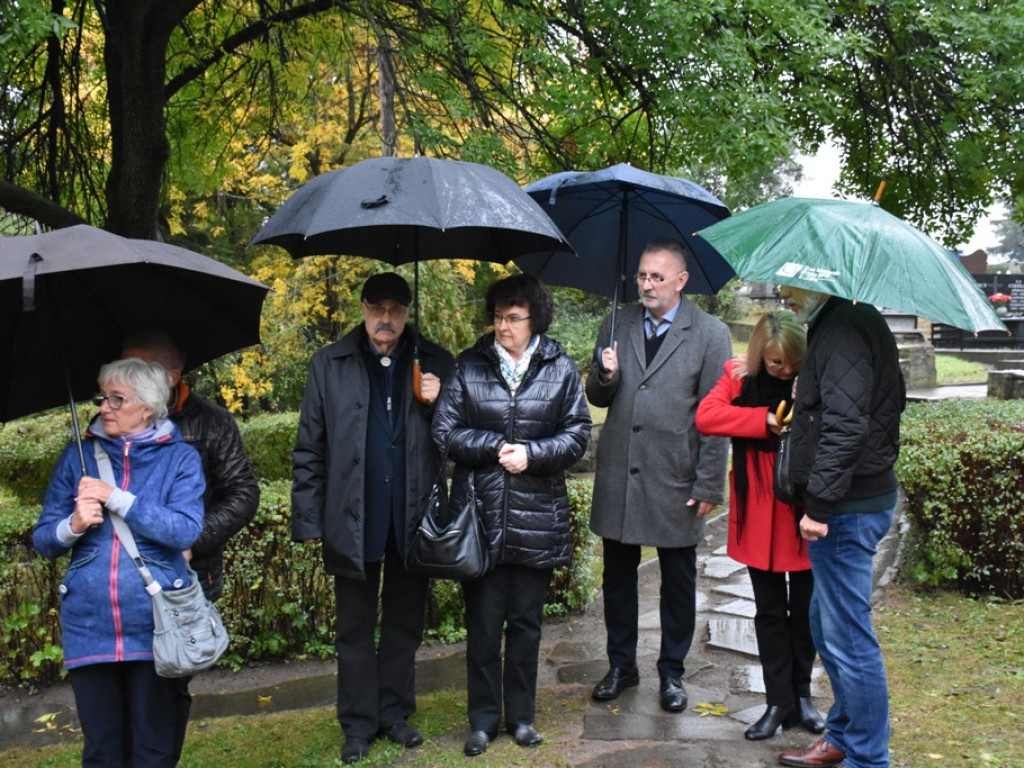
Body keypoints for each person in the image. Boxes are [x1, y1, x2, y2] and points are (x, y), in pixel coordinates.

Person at [291, 272, 455, 764]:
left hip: (411, 516)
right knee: (354, 628)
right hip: (351, 515)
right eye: (376, 308)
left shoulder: (436, 362)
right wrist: (309, 520)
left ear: (408, 313)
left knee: (405, 625)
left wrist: (437, 400)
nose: (386, 318)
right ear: (362, 309)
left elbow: (457, 438)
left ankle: (395, 714)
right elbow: (309, 448)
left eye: (397, 309)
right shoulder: (329, 363)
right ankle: (358, 724)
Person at [431, 273, 591, 757]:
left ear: (534, 319)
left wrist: (534, 454)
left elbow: (578, 432)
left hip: (536, 517)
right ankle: (482, 720)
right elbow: (445, 432)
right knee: (482, 625)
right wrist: (493, 445)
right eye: (498, 316)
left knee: (525, 624)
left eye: (514, 318)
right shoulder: (469, 365)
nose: (503, 326)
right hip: (479, 517)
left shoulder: (560, 368)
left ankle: (521, 717)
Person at [33, 358, 205, 767]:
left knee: (154, 747)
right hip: (89, 626)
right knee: (102, 750)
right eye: (102, 397)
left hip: (155, 626)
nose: (104, 407)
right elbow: (44, 540)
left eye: (116, 399)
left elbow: (184, 530)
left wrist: (118, 499)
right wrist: (72, 526)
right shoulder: (77, 458)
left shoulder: (180, 460)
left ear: (147, 406)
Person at [586, 237, 732, 713]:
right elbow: (599, 394)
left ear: (681, 281)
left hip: (676, 476)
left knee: (677, 581)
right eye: (642, 275)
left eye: (656, 277)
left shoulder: (710, 333)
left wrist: (710, 483)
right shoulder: (617, 320)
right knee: (618, 578)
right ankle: (621, 665)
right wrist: (604, 377)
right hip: (620, 476)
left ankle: (672, 672)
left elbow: (717, 414)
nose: (646, 285)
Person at [775, 287, 905, 768]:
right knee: (825, 624)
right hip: (852, 499)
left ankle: (869, 757)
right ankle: (846, 735)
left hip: (848, 507)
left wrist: (821, 506)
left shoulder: (845, 328)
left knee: (847, 635)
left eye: (792, 284)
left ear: (819, 282)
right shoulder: (841, 323)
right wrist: (806, 399)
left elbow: (848, 428)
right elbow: (870, 404)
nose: (784, 294)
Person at [120, 329, 260, 762]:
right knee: (119, 692)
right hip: (120, 580)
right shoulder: (109, 422)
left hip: (183, 580)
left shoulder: (211, 422)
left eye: (138, 370)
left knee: (165, 683)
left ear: (170, 375)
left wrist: (191, 540)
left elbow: (242, 494)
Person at [695, 310, 826, 740]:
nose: (785, 370)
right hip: (758, 509)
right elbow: (707, 416)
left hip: (802, 507)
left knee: (805, 610)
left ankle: (802, 697)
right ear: (759, 356)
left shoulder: (815, 377)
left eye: (793, 362)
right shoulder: (739, 378)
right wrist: (760, 421)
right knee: (769, 611)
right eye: (775, 363)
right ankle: (777, 702)